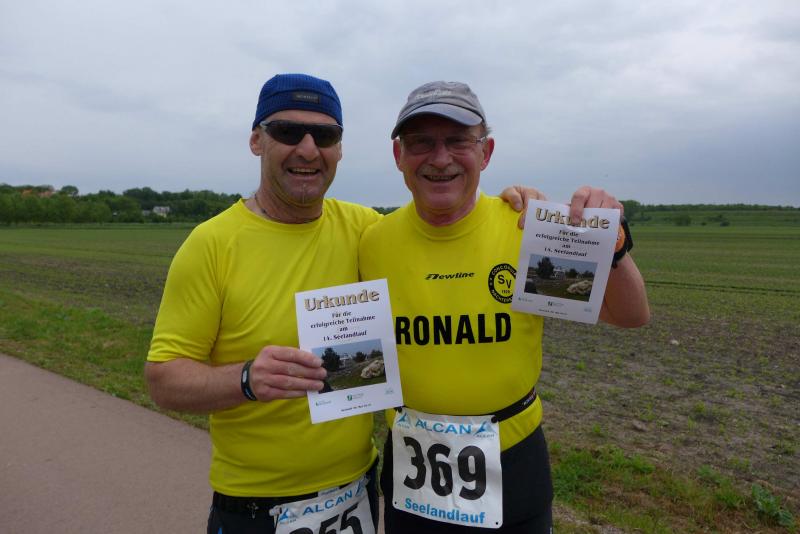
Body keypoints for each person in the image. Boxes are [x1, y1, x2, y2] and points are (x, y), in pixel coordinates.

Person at [145, 73, 536, 534]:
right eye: (288, 132)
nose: (308, 149)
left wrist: (518, 207)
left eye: (325, 136)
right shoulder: (210, 244)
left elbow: (440, 233)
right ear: (256, 140)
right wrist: (246, 378)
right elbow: (163, 380)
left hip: (358, 491)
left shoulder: (366, 231)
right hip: (256, 506)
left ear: (339, 149)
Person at [358, 81, 650, 533]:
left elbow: (629, 315)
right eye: (421, 142)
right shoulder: (373, 243)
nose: (440, 158)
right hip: (412, 470)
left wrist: (611, 244)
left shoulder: (523, 228)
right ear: (399, 155)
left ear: (486, 152)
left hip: (513, 462)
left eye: (458, 141)